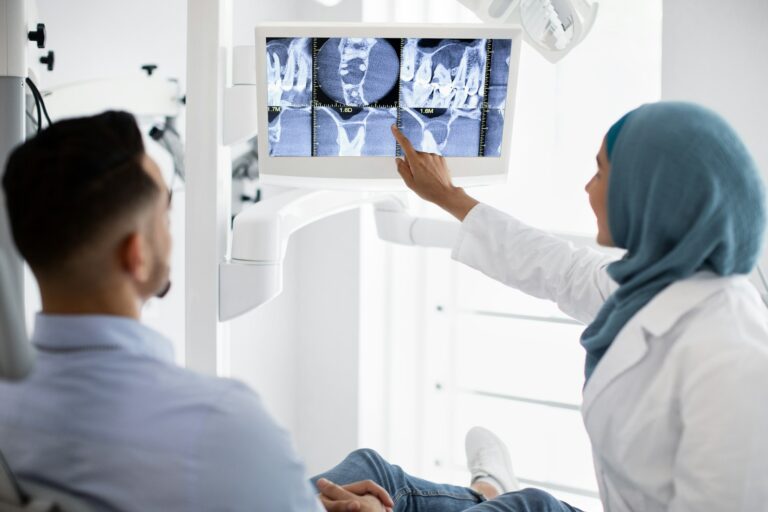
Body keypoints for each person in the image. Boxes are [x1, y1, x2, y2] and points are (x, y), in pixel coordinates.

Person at [353, 101, 768, 511]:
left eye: (601, 172)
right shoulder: (661, 283)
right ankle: (493, 489)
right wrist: (448, 196)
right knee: (370, 470)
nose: (588, 188)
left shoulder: (733, 359)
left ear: (651, 194)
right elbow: (563, 269)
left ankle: (488, 492)